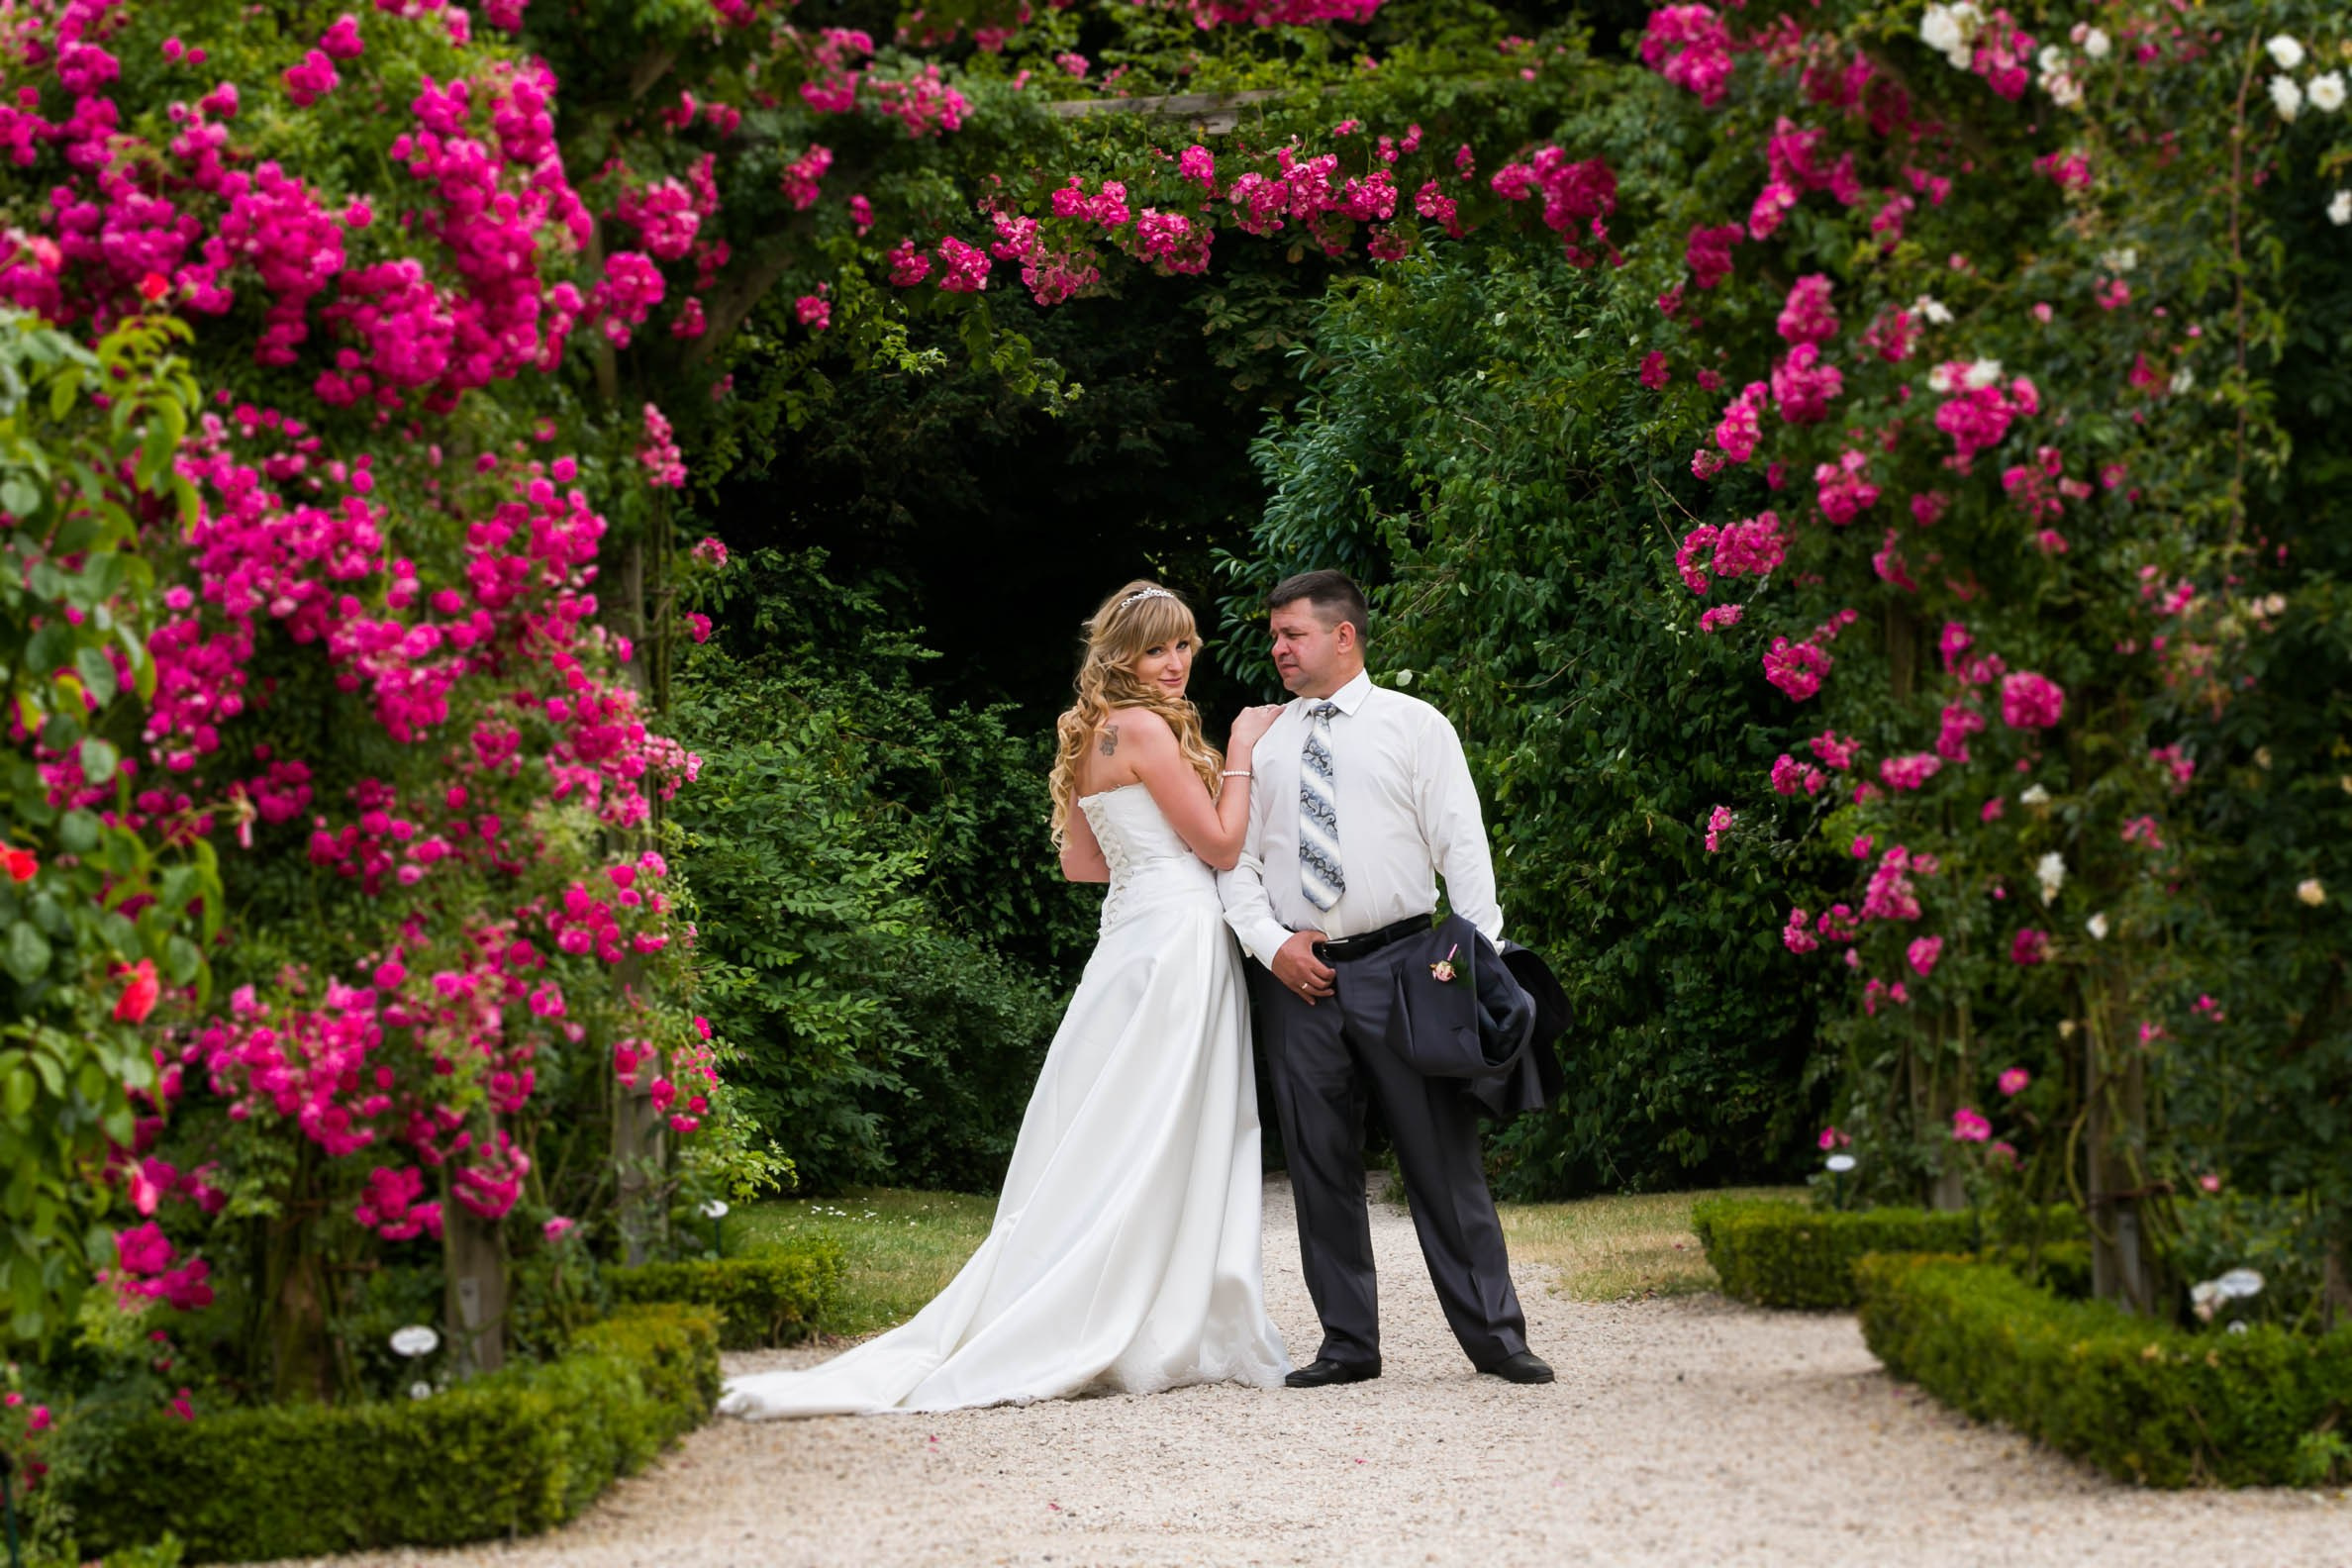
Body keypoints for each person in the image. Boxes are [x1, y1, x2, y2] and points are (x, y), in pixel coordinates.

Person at [719, 580, 1291, 1418]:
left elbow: (1083, 865)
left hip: (1130, 938)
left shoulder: (1096, 732)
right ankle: (1149, 1312)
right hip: (1177, 940)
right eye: (1159, 648)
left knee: (1118, 1125)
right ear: (1122, 654)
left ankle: (1114, 1294)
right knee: (1165, 1126)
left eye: (1185, 647)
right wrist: (1240, 749)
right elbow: (1222, 840)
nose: (1176, 663)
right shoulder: (1141, 727)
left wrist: (1153, 854)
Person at [1220, 569, 1554, 1387]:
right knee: (1319, 1159)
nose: (1278, 650)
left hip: (1413, 965)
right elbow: (1235, 864)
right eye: (1275, 636)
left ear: (1343, 636)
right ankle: (1346, 1345)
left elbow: (1461, 848)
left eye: (1292, 634)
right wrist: (1271, 947)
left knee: (1442, 1156)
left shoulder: (1415, 726)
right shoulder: (1264, 742)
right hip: (1300, 976)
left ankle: (1497, 1338)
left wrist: (1485, 966)